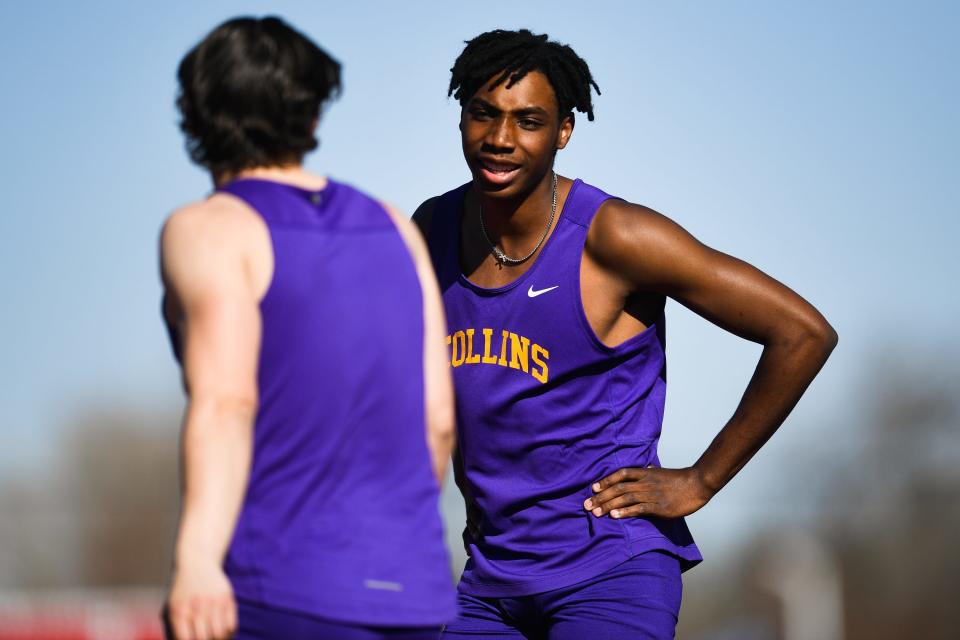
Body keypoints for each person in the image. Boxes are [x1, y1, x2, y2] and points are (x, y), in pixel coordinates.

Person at [413, 29, 838, 639]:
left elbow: (801, 332)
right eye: (484, 114)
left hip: (609, 568)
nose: (501, 139)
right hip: (491, 577)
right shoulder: (435, 229)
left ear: (563, 131)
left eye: (528, 120)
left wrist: (701, 479)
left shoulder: (615, 238)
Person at [160, 16, 456, 640]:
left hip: (281, 593)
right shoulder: (396, 227)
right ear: (313, 116)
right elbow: (438, 423)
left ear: (196, 113)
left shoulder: (209, 229)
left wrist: (196, 561)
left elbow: (227, 401)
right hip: (414, 595)